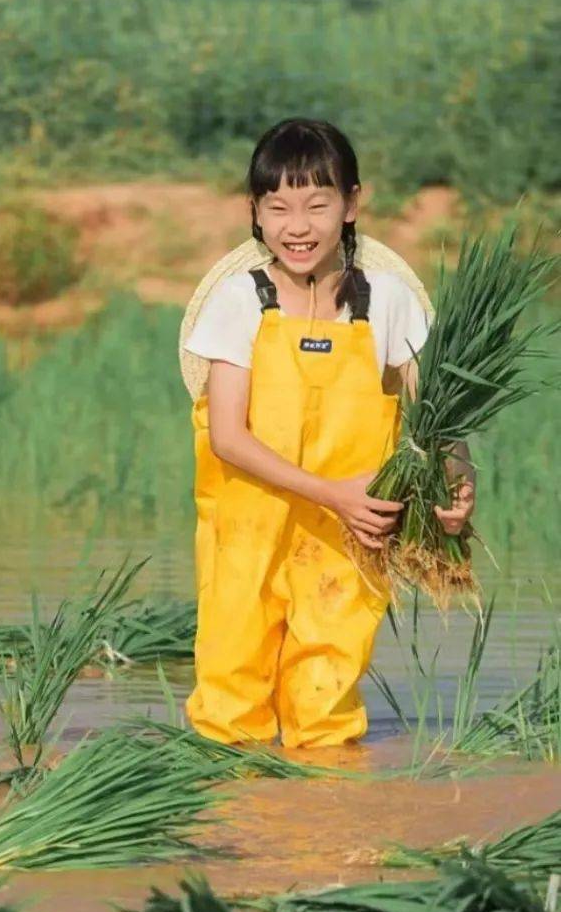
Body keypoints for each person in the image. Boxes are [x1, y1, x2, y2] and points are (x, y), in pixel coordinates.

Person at [181, 118, 474, 748]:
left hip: (346, 535)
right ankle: (232, 830)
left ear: (351, 204)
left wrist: (457, 483)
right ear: (254, 213)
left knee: (326, 704)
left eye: (318, 204)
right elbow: (229, 437)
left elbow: (439, 421)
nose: (298, 225)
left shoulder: (389, 301)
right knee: (231, 696)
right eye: (279, 207)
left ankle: (324, 827)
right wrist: (330, 490)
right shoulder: (237, 301)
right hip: (249, 529)